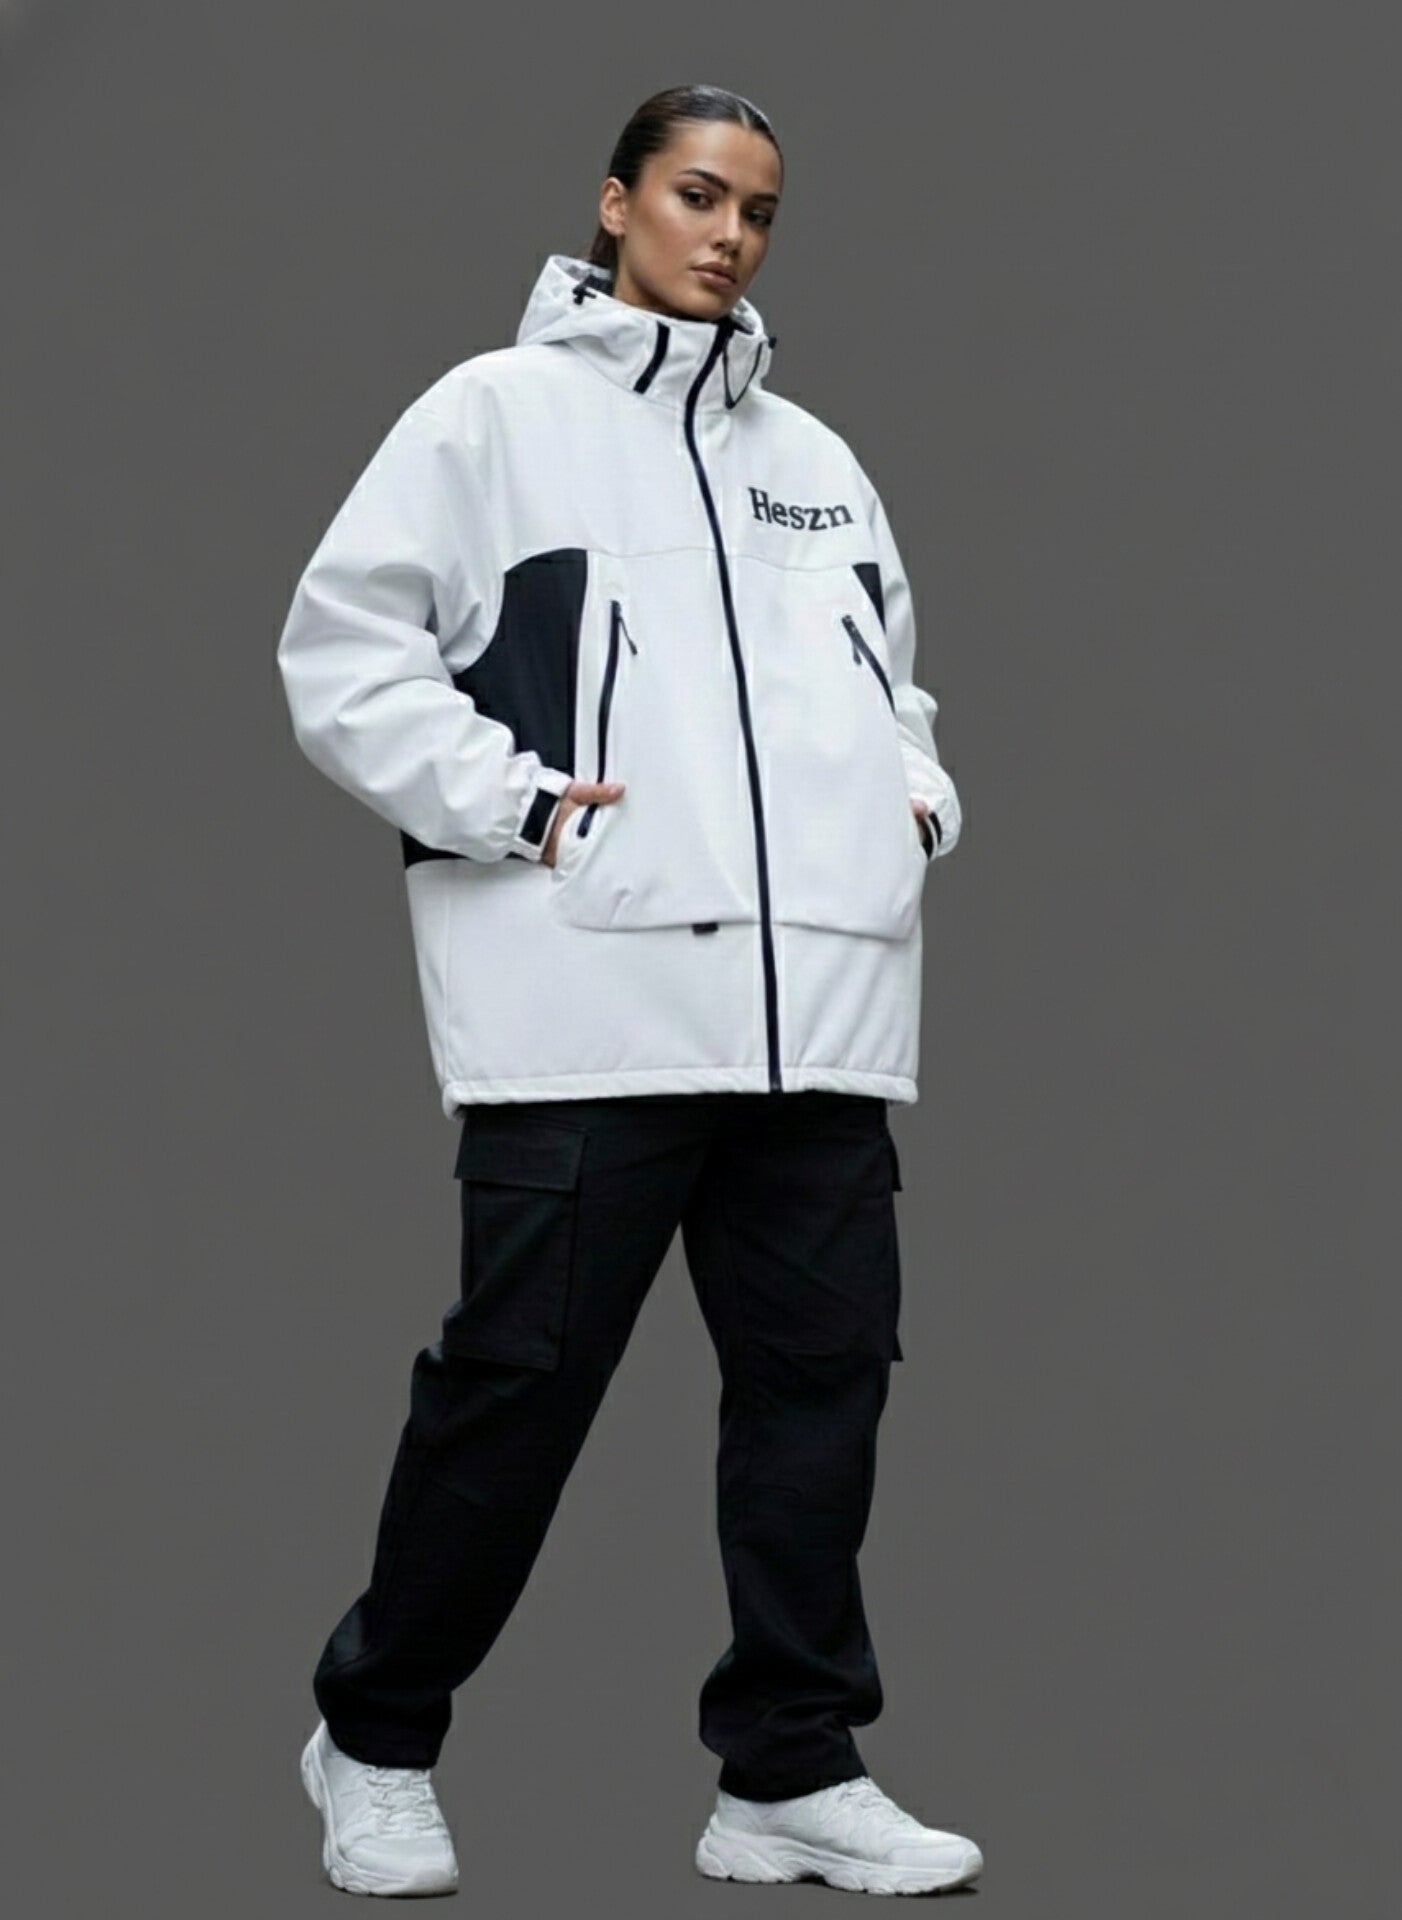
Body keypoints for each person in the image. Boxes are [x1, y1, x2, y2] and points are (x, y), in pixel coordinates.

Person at [277, 83, 982, 1899]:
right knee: (512, 1396)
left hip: (819, 1024)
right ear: (614, 202)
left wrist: (911, 794)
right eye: (694, 193)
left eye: (757, 209)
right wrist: (515, 803)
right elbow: (341, 655)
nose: (727, 234)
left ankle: (789, 1770)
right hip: (585, 1008)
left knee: (820, 1397)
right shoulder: (491, 418)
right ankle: (374, 1737)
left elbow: (888, 679)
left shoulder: (814, 459)